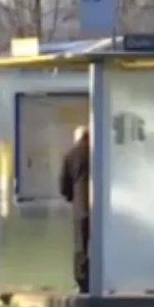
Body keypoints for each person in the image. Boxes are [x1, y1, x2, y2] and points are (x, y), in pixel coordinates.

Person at [57, 125, 91, 294]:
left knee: (81, 245)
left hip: (80, 206)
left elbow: (63, 184)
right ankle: (100, 278)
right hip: (100, 208)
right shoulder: (97, 154)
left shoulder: (70, 155)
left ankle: (82, 282)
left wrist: (71, 197)